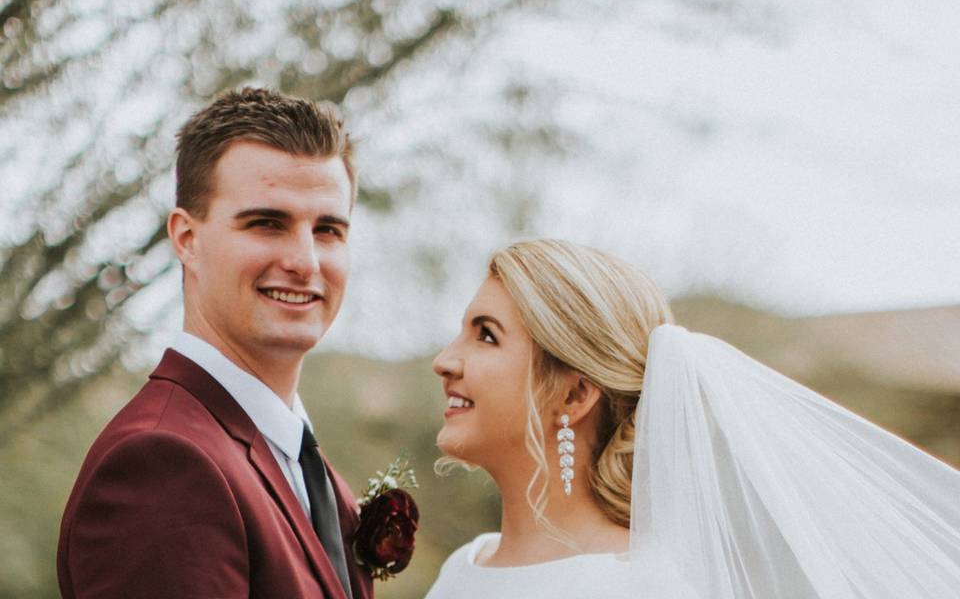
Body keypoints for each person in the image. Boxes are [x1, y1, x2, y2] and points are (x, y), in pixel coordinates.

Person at [426, 239, 960, 599]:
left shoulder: (645, 587)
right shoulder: (461, 570)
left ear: (574, 395)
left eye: (486, 335)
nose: (445, 360)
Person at [57, 88, 372, 599]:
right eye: (267, 223)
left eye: (328, 230)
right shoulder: (162, 466)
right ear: (186, 238)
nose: (305, 261)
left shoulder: (315, 474)